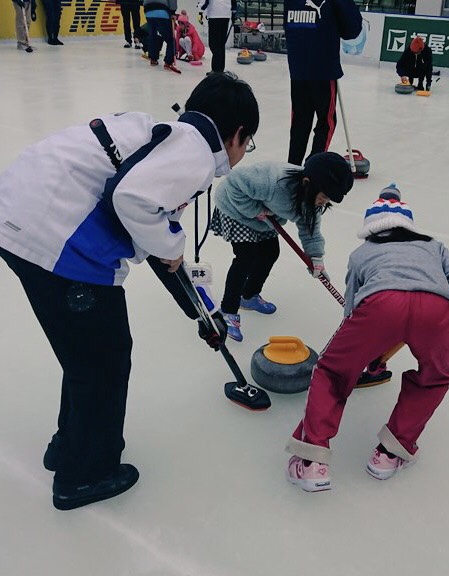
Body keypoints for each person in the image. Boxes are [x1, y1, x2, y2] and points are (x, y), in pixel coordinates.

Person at [0, 72, 259, 510]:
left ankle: (69, 446)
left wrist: (199, 312)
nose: (241, 153)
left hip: (22, 216)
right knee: (104, 357)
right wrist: (173, 247)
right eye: (246, 144)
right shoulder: (194, 150)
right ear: (236, 135)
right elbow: (131, 200)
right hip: (58, 238)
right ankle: (84, 475)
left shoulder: (165, 139)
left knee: (86, 354)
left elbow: (152, 237)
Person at [285, 185, 449, 492]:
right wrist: (448, 319)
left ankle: (312, 463)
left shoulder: (362, 253)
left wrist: (364, 352)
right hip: (437, 308)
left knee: (331, 372)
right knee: (435, 377)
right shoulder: (433, 246)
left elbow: (352, 308)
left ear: (371, 229)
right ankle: (390, 454)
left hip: (380, 303)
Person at [210, 152, 353, 342]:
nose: (324, 202)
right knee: (246, 257)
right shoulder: (273, 182)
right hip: (236, 207)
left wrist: (316, 259)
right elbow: (234, 183)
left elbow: (310, 231)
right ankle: (227, 311)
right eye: (324, 196)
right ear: (307, 183)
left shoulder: (311, 202)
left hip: (265, 217)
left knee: (270, 252)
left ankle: (249, 295)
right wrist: (255, 210)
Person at [284, 0, 362, 166]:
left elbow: (289, 25)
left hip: (298, 68)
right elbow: (352, 30)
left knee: (300, 121)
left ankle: (292, 167)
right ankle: (313, 166)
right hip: (323, 69)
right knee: (327, 122)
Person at [143, 0, 180, 74]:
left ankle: (153, 59)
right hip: (162, 12)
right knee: (170, 39)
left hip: (148, 11)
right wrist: (173, 12)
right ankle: (168, 62)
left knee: (153, 35)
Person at [200, 0, 236, 74]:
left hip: (215, 15)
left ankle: (217, 70)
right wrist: (233, 12)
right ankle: (219, 70)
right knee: (220, 45)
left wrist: (201, 10)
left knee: (214, 44)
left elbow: (205, 3)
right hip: (224, 15)